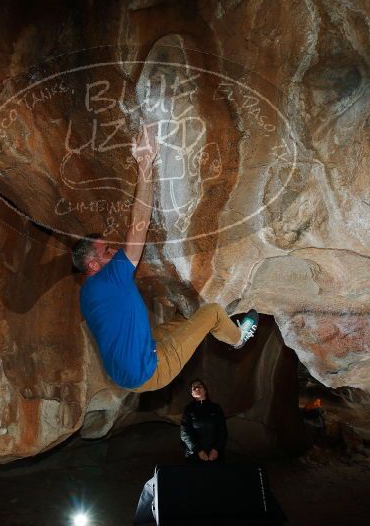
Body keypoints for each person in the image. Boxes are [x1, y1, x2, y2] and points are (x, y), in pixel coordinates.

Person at [73, 125, 259, 392]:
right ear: (93, 265)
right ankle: (238, 337)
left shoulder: (87, 294)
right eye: (107, 252)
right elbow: (139, 225)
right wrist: (145, 162)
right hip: (150, 372)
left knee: (186, 320)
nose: (114, 253)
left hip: (129, 369)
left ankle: (210, 326)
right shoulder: (108, 279)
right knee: (212, 312)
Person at [180, 379, 227, 463]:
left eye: (199, 386)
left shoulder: (216, 408)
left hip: (215, 454)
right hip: (194, 454)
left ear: (205, 390)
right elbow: (185, 432)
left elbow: (222, 430)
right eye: (194, 388)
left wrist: (216, 449)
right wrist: (198, 450)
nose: (197, 389)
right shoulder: (189, 409)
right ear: (192, 394)